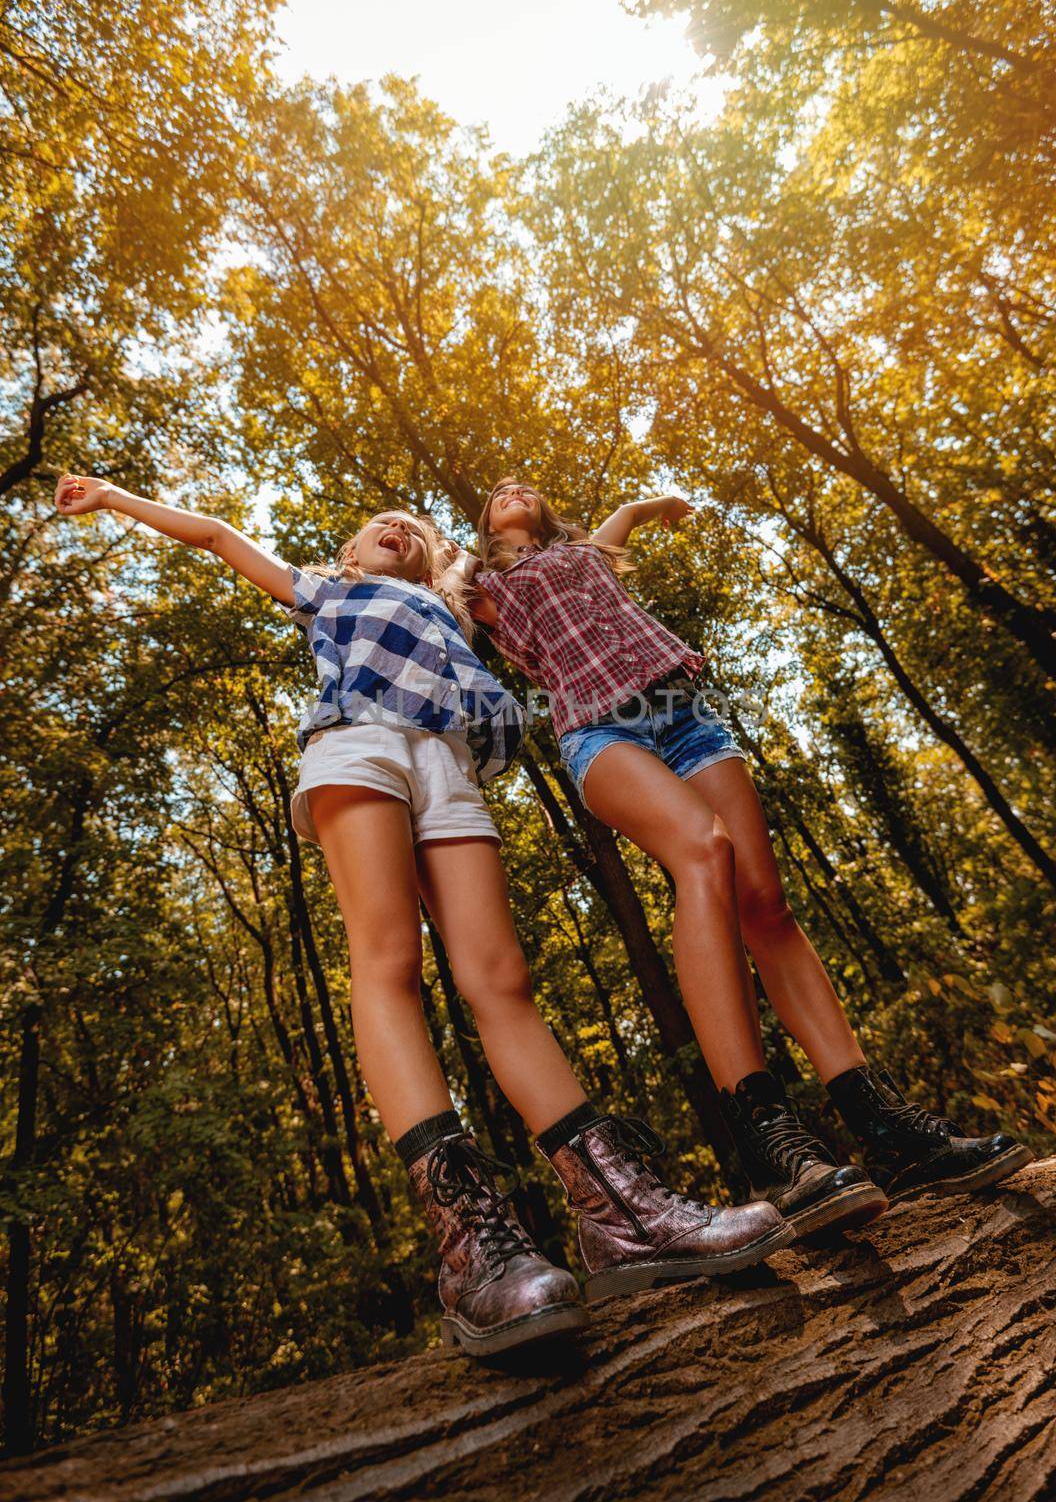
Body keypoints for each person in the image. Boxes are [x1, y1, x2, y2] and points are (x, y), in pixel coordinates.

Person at [55, 472, 791, 1357]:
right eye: (378, 523)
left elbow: (563, 570)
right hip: (359, 744)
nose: (396, 527)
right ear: (345, 555)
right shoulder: (326, 590)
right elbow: (216, 534)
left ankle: (623, 1214)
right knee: (388, 961)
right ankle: (473, 1248)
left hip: (452, 764)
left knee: (502, 978)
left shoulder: (455, 602)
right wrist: (115, 499)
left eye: (415, 526)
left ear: (443, 560)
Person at [464, 478, 1033, 1226]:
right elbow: (432, 590)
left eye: (527, 484)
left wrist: (656, 506)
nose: (515, 488)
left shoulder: (585, 552)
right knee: (706, 852)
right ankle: (768, 1137)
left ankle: (887, 1129)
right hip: (601, 734)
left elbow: (621, 521)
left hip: (684, 714)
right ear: (483, 525)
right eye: (501, 490)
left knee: (767, 904)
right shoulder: (482, 583)